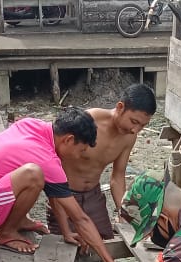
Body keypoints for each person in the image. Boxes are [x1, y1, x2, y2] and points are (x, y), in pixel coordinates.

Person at [0, 108, 117, 262]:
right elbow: (80, 218)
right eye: (81, 150)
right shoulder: (47, 160)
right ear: (68, 139)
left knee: (38, 175)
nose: (79, 156)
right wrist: (108, 260)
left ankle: (18, 220)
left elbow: (54, 192)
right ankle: (6, 232)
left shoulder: (32, 124)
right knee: (33, 174)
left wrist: (66, 232)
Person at [54, 83, 157, 241]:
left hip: (94, 197)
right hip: (65, 196)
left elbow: (117, 176)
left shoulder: (130, 136)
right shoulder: (87, 122)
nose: (135, 130)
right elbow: (54, 161)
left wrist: (123, 213)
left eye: (143, 126)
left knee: (103, 245)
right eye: (134, 122)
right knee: (62, 251)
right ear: (120, 107)